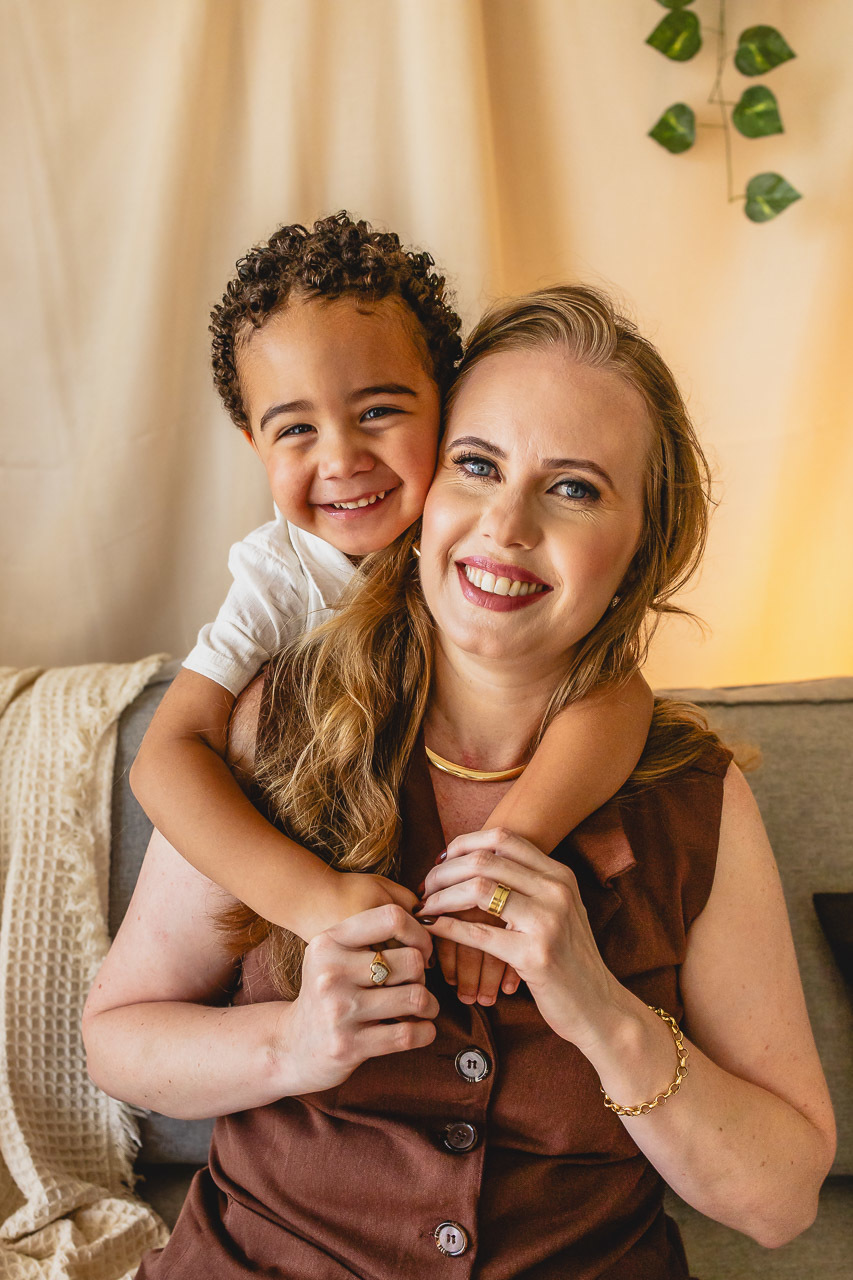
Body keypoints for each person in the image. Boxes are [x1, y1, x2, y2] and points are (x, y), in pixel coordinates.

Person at [83, 286, 835, 1279]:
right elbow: (117, 1040)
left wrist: (603, 1013)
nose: (506, 525)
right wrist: (292, 1043)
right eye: (476, 465)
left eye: (574, 488)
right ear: (425, 487)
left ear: (641, 546)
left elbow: (780, 1201)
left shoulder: (692, 796)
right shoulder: (279, 722)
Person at [128, 213, 652, 1007]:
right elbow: (167, 756)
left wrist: (502, 853)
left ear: (447, 404)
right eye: (295, 428)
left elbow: (613, 689)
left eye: (376, 411)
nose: (341, 459)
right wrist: (311, 899)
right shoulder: (281, 578)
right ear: (253, 444)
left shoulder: (476, 544)